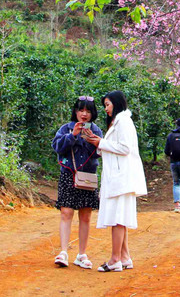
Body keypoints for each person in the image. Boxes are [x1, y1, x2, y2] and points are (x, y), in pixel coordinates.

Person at [83, 91, 147, 273]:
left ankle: (115, 259)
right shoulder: (119, 121)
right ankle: (125, 257)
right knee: (120, 218)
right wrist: (98, 143)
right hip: (118, 177)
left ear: (117, 103)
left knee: (118, 219)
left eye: (108, 104)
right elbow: (116, 148)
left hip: (122, 178)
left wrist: (101, 143)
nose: (106, 109)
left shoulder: (124, 121)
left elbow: (125, 148)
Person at [51, 96, 103, 269]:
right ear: (75, 111)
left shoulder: (96, 130)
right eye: (81, 110)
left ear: (92, 113)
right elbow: (57, 147)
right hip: (68, 174)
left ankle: (81, 254)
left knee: (86, 215)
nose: (84, 114)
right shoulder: (65, 128)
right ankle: (63, 252)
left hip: (87, 175)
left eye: (88, 111)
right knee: (66, 212)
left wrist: (92, 141)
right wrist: (72, 135)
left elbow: (99, 154)